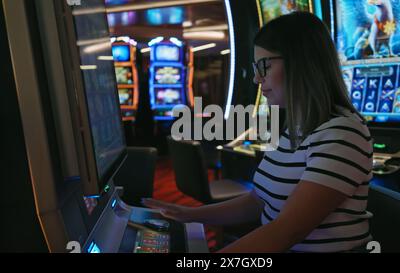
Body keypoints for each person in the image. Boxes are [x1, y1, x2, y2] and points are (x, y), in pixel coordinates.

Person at [142, 11, 373, 253]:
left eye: (264, 65)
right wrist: (189, 214)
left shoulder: (343, 132)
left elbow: (285, 231)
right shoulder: (296, 128)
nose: (256, 78)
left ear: (301, 62)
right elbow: (258, 201)